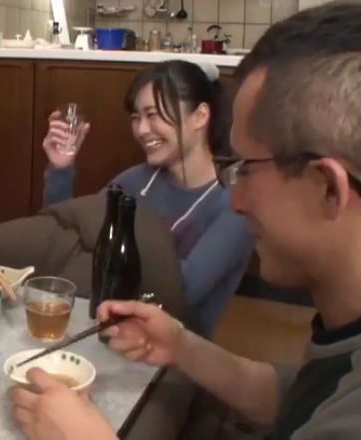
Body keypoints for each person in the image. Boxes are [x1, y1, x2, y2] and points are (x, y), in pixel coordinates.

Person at [9, 0, 361, 440]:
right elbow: (296, 397)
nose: (237, 201)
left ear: (328, 188)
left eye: (248, 168)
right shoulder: (339, 352)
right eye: (137, 117)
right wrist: (179, 344)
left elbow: (180, 287)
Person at [42, 60, 253, 336]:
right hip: (103, 328)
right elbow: (62, 236)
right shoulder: (136, 180)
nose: (142, 130)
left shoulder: (234, 203)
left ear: (200, 116)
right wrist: (60, 170)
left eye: (153, 115)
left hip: (172, 350)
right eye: (136, 118)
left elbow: (180, 292)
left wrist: (103, 250)